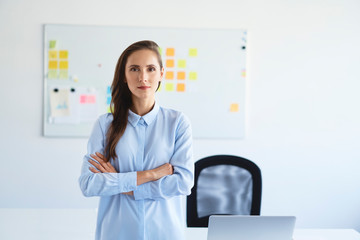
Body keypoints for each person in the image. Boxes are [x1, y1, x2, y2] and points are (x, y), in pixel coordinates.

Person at [79, 40, 194, 240]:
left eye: (150, 69)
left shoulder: (177, 123)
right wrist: (152, 174)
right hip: (117, 233)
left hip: (165, 234)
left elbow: (182, 183)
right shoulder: (105, 125)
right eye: (134, 69)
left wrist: (124, 186)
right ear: (124, 75)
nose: (143, 77)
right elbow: (90, 184)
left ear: (161, 74)